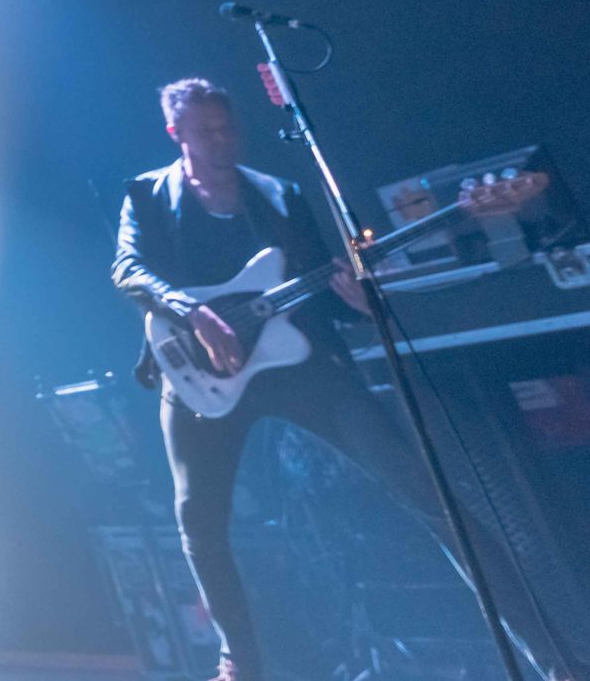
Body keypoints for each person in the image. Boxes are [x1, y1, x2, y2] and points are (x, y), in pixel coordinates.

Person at [114, 80, 572, 681]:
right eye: (207, 132)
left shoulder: (277, 195)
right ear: (177, 134)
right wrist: (190, 309)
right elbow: (128, 268)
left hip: (300, 365)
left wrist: (354, 301)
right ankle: (239, 661)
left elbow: (320, 288)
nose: (222, 140)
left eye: (229, 128)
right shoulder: (147, 195)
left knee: (431, 495)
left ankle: (555, 660)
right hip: (197, 373)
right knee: (198, 520)